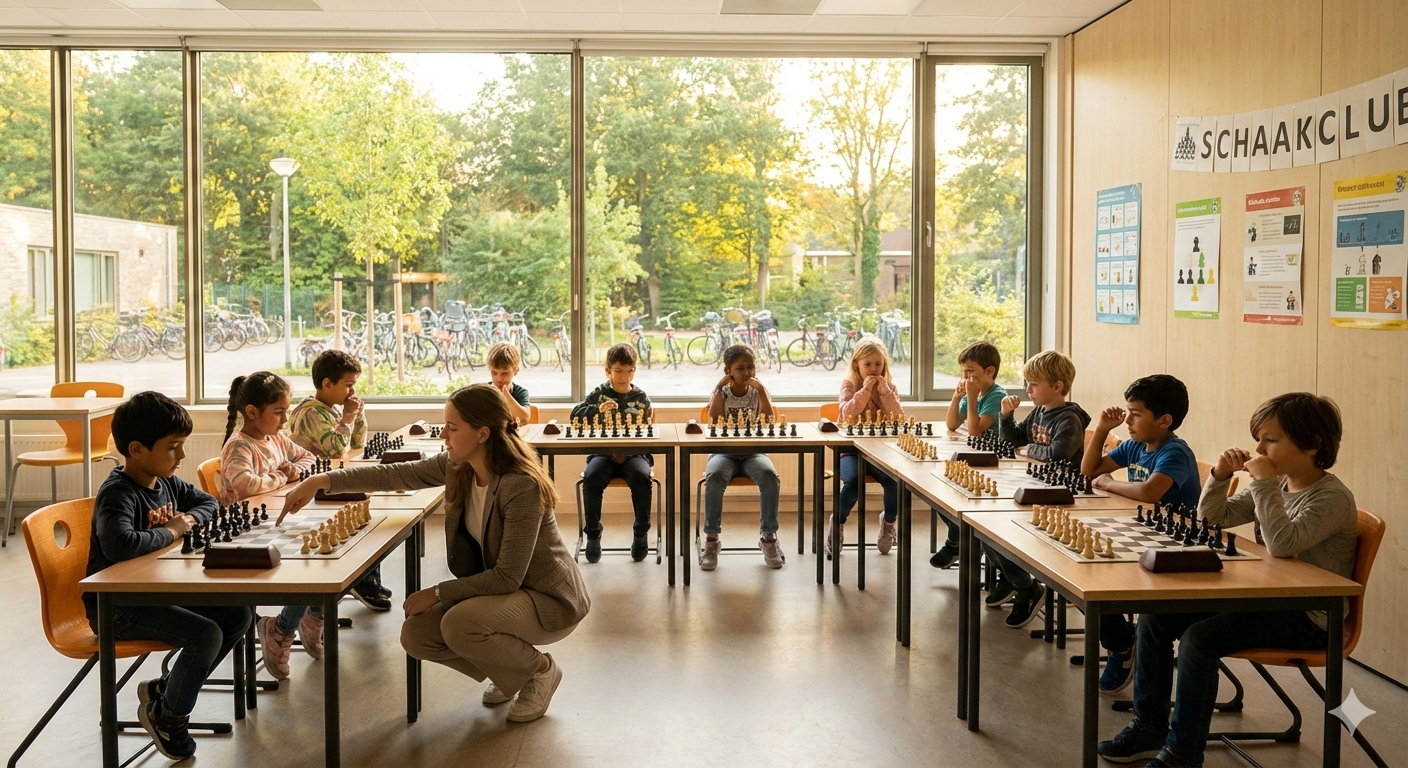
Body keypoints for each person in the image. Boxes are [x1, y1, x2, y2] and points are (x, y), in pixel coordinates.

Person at [280, 384, 590, 724]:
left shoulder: (520, 485)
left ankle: (540, 671)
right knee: (417, 635)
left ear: (483, 433)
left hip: (546, 598)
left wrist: (438, 592)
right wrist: (321, 480)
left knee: (459, 624)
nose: (443, 434)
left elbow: (507, 576)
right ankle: (510, 673)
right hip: (506, 593)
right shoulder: (459, 466)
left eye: (453, 428)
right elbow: (395, 473)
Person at [1098, 393, 1357, 768]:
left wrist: (1266, 485)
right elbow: (1212, 518)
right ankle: (1149, 728)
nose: (1258, 448)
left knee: (1200, 640)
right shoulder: (1279, 484)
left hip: (1310, 615)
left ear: (1312, 444)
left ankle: (1182, 753)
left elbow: (1284, 545)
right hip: (1267, 597)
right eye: (1259, 438)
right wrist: (1220, 477)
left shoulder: (1330, 497)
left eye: (1271, 439)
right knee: (1156, 619)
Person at [85, 392, 252, 762]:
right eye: (173, 447)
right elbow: (121, 546)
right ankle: (170, 717)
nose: (181, 457)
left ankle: (172, 689)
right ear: (137, 449)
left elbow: (207, 502)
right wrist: (174, 531)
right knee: (205, 633)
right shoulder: (118, 494)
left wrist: (186, 521)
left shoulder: (167, 484)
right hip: (116, 606)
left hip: (154, 593)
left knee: (237, 613)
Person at [1081, 374, 1199, 695]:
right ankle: (1122, 641)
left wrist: (1108, 484)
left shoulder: (1175, 452)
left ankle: (1121, 644)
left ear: (1164, 421)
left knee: (1096, 576)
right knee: (1082, 569)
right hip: (1140, 532)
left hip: (1173, 545)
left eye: (1136, 414)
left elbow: (1150, 492)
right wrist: (1104, 430)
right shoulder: (1134, 445)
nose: (1128, 421)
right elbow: (1088, 471)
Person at [217, 372, 326, 682]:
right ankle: (281, 629)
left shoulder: (275, 438)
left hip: (276, 520)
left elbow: (307, 458)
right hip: (246, 537)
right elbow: (245, 487)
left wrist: (291, 470)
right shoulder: (239, 446)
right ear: (252, 412)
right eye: (279, 411)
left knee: (321, 554)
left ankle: (311, 616)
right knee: (308, 564)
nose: (285, 419)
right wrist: (282, 476)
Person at [988, 350, 1091, 628]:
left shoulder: (1069, 418)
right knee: (984, 529)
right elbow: (1012, 442)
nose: (1027, 389)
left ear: (1057, 387)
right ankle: (1016, 581)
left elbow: (1058, 453)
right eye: (1026, 383)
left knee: (996, 529)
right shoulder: (1038, 412)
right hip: (1036, 485)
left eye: (1033, 384)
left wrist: (1027, 449)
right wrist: (1006, 417)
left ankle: (1025, 586)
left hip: (1061, 495)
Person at [288, 349, 389, 609]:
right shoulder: (312, 412)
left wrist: (358, 414)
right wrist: (347, 417)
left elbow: (356, 444)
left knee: (367, 515)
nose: (351, 391)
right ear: (327, 383)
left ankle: (366, 577)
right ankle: (362, 581)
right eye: (348, 385)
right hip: (312, 492)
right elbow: (335, 449)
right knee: (361, 517)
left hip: (328, 483)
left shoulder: (331, 409)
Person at [701, 344, 784, 571]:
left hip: (752, 452)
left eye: (750, 367)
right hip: (723, 451)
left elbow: (769, 420)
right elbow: (714, 420)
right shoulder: (722, 391)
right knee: (715, 477)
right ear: (728, 370)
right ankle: (711, 540)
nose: (747, 373)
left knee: (769, 476)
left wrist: (764, 392)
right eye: (740, 368)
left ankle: (768, 537)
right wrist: (719, 387)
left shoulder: (758, 391)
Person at [570, 343, 654, 562]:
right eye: (618, 371)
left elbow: (649, 434)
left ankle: (641, 532)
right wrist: (597, 409)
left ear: (634, 370)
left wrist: (627, 452)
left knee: (641, 476)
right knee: (592, 476)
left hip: (634, 455)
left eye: (629, 371)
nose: (623, 376)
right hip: (603, 454)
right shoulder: (600, 394)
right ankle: (593, 534)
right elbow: (575, 415)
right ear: (608, 371)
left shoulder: (641, 397)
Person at [932, 341, 1009, 569]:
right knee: (937, 492)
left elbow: (975, 429)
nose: (965, 377)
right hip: (973, 456)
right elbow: (952, 424)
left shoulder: (996, 396)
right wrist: (957, 398)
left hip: (993, 461)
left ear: (989, 371)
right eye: (963, 372)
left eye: (970, 372)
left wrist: (972, 398)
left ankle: (960, 543)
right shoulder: (971, 392)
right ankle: (957, 539)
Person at [831, 338, 903, 559]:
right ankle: (838, 524)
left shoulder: (888, 387)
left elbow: (898, 418)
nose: (873, 369)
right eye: (868, 365)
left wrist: (884, 393)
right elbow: (846, 415)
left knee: (895, 482)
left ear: (884, 365)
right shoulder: (849, 386)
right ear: (856, 366)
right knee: (854, 482)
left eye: (878, 364)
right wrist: (864, 391)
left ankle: (888, 523)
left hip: (881, 450)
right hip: (852, 451)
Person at [486, 342, 532, 425]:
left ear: (516, 371)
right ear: (489, 368)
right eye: (494, 373)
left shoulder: (520, 393)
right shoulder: (483, 392)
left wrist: (506, 395)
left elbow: (524, 419)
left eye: (505, 373)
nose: (499, 378)